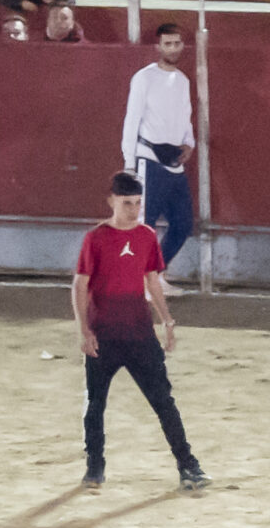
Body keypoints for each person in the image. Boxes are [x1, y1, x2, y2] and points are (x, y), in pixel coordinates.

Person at [74, 170, 208, 495]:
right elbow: (80, 286)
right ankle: (94, 467)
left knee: (164, 401)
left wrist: (167, 320)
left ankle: (188, 465)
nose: (133, 210)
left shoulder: (147, 236)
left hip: (139, 335)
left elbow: (152, 281)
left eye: (137, 203)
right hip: (104, 335)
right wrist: (84, 330)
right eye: (126, 203)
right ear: (112, 201)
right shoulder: (96, 239)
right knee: (95, 404)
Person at [120, 21, 197, 278]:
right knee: (144, 226)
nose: (173, 48)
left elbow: (186, 116)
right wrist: (129, 164)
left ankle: (154, 276)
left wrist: (189, 143)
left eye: (177, 43)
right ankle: (135, 284)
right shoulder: (144, 77)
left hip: (174, 161)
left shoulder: (183, 81)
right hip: (148, 159)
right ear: (158, 46)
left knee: (183, 223)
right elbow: (132, 119)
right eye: (168, 44)